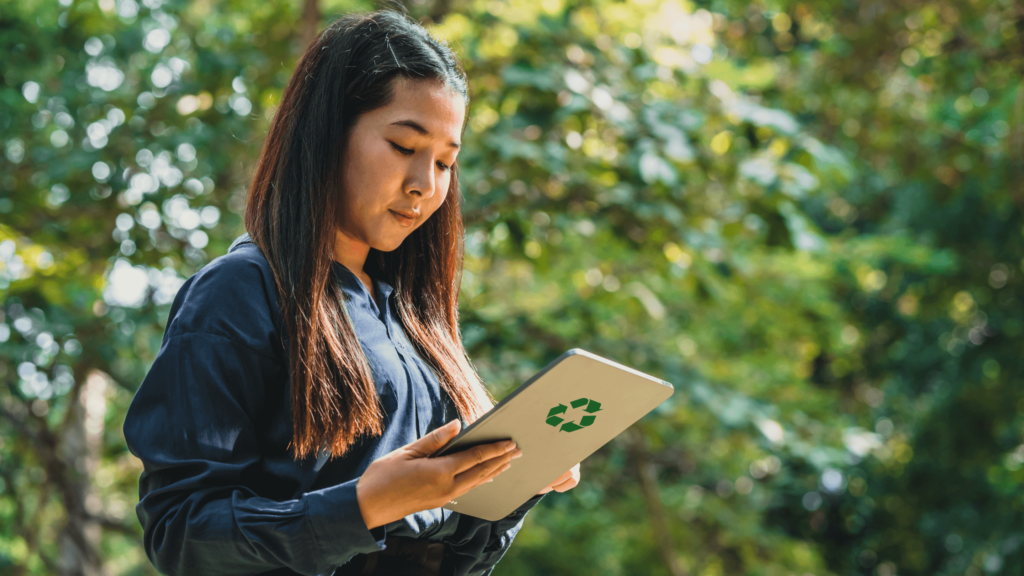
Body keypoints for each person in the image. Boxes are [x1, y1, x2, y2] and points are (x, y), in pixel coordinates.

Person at [122, 9, 580, 576]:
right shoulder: (239, 293)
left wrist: (510, 485)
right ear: (329, 133)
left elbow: (449, 555)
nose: (425, 184)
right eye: (402, 145)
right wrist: (363, 506)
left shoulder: (414, 320)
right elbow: (182, 535)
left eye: (445, 162)